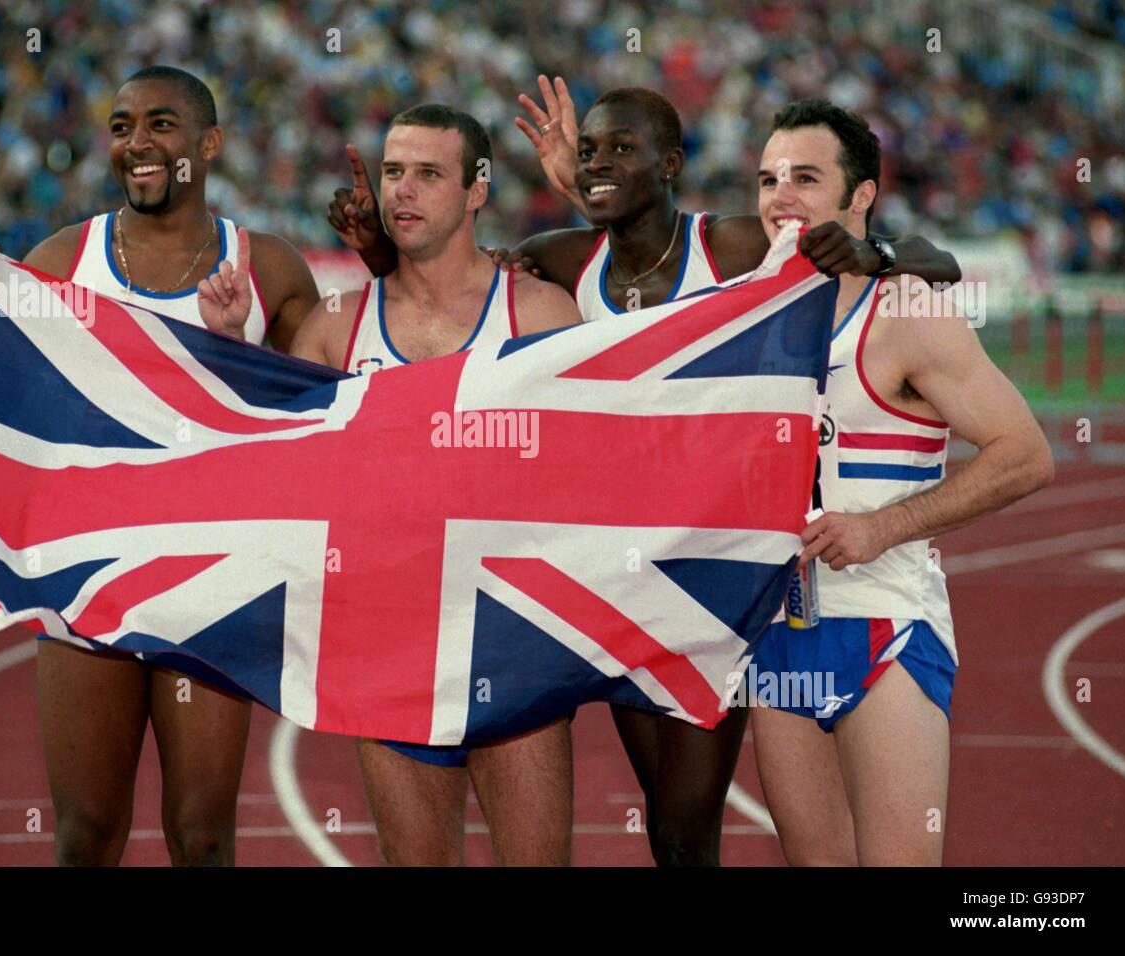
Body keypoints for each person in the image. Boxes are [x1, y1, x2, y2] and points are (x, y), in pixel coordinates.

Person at [329, 78, 964, 867]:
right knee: (665, 821)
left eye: (622, 150)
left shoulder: (728, 246)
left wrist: (875, 252)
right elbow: (453, 283)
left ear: (670, 164)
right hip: (620, 581)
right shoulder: (559, 261)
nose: (597, 163)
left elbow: (938, 265)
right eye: (589, 151)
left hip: (717, 573)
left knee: (687, 823)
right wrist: (376, 249)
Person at [0, 65, 320, 866]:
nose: (136, 144)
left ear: (208, 144)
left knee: (205, 838)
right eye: (120, 127)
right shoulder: (59, 261)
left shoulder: (271, 269)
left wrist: (235, 349)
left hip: (214, 583)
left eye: (160, 125)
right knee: (85, 836)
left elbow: (328, 420)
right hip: (90, 579)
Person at [745, 99, 1054, 865]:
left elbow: (1025, 453)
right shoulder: (741, 307)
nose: (781, 196)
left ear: (860, 196)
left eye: (806, 178)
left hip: (886, 625)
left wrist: (881, 528)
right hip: (773, 632)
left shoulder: (909, 309)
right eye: (767, 179)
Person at [290, 104, 584, 866]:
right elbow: (283, 486)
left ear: (478, 190)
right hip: (389, 647)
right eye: (393, 172)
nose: (403, 192)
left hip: (513, 641)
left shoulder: (540, 314)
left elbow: (584, 483)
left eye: (428, 173)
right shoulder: (331, 331)